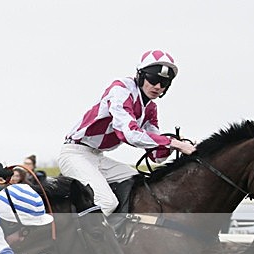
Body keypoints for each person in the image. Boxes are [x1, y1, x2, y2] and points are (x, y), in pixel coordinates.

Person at [58, 50, 196, 215]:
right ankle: (78, 240)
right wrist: (174, 143)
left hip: (98, 157)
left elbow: (157, 156)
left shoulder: (151, 108)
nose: (158, 87)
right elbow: (129, 134)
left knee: (140, 184)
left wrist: (177, 145)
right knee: (107, 202)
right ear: (141, 75)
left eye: (164, 83)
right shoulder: (121, 89)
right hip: (75, 155)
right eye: (153, 79)